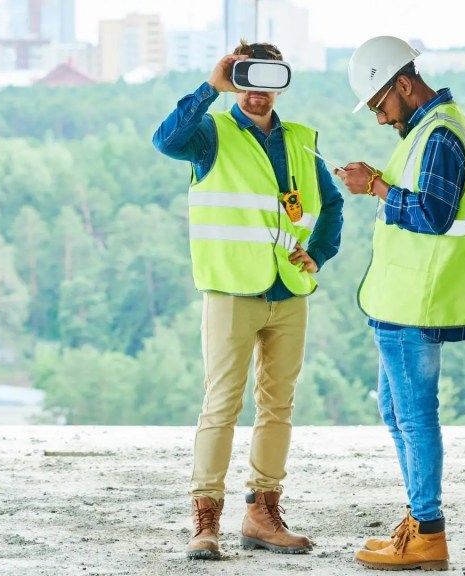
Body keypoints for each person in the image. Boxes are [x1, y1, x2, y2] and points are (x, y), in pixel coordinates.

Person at [152, 40, 344, 561]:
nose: (258, 94)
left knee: (277, 406)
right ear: (236, 79)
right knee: (221, 406)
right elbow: (165, 141)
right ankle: (205, 520)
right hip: (231, 292)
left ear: (282, 82)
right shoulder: (211, 134)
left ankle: (262, 513)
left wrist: (319, 253)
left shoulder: (303, 141)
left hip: (288, 293)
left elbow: (331, 203)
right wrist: (210, 88)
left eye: (269, 81)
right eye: (247, 80)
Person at [335, 36, 465, 571]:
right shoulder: (428, 127)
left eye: (381, 104)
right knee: (397, 411)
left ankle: (428, 532)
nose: (380, 118)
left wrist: (376, 186)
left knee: (415, 416)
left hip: (417, 302)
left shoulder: (440, 134)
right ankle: (418, 523)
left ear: (404, 84)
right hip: (403, 300)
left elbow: (433, 215)